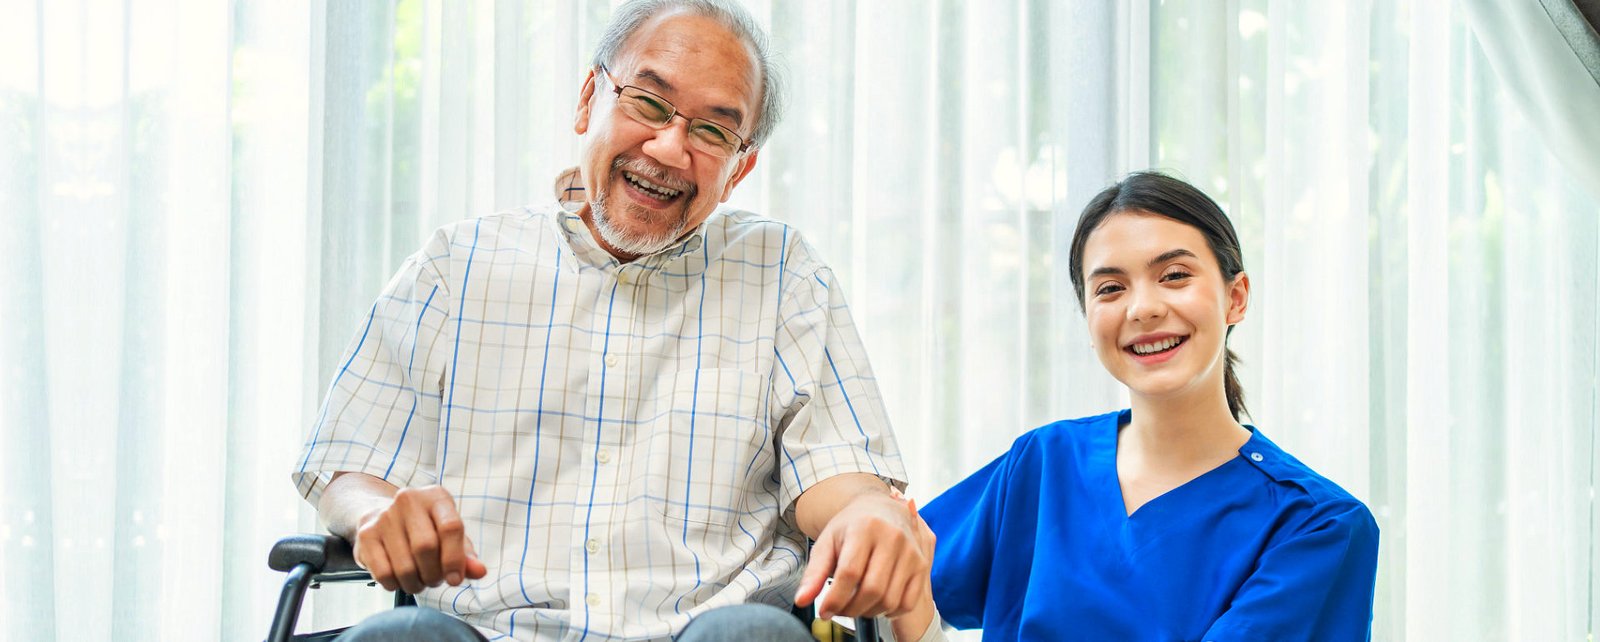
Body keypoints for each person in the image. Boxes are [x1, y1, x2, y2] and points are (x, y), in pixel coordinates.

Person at [291, 1, 928, 639]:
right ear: (588, 98)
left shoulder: (784, 274)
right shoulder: (454, 266)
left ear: (740, 169)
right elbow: (352, 463)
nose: (671, 148)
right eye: (649, 103)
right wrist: (375, 513)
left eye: (713, 132)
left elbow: (838, 476)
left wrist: (870, 512)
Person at [888, 172, 1380, 642]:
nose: (1142, 308)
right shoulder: (1043, 465)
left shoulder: (1317, 526)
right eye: (1110, 288)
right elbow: (894, 592)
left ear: (1236, 297)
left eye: (1174, 275)